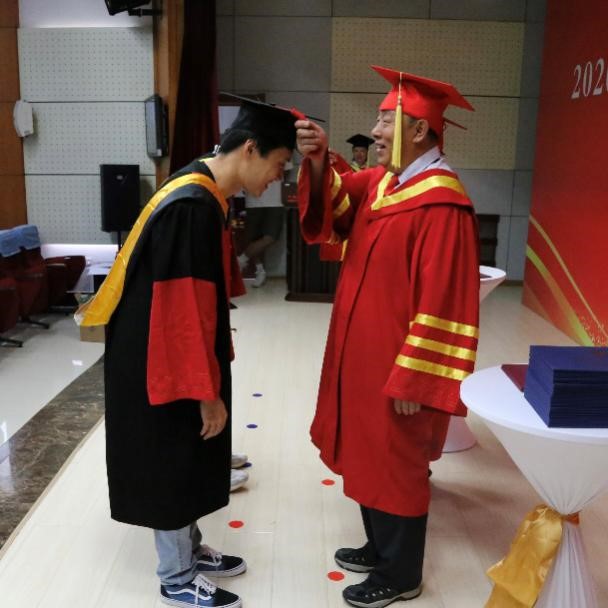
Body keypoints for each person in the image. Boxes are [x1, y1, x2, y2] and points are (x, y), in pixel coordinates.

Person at [77, 96, 301, 608]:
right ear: (250, 149)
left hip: (164, 345)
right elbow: (180, 311)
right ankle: (176, 577)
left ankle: (191, 550)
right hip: (162, 356)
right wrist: (205, 391)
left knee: (192, 452)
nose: (278, 176)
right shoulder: (192, 207)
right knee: (176, 454)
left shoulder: (200, 185)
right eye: (279, 163)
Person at [295, 65, 480, 607]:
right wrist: (316, 157)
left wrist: (415, 379)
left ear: (419, 130)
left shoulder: (442, 204)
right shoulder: (384, 183)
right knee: (367, 453)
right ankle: (379, 548)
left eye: (384, 120)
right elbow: (335, 204)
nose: (374, 131)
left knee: (397, 463)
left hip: (399, 368)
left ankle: (401, 575)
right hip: (361, 357)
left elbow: (445, 303)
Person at [237, 177, 286, 287]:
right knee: (253, 238)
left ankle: (241, 260)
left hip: (275, 199)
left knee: (272, 236)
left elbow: (286, 170)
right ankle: (260, 271)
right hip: (253, 198)